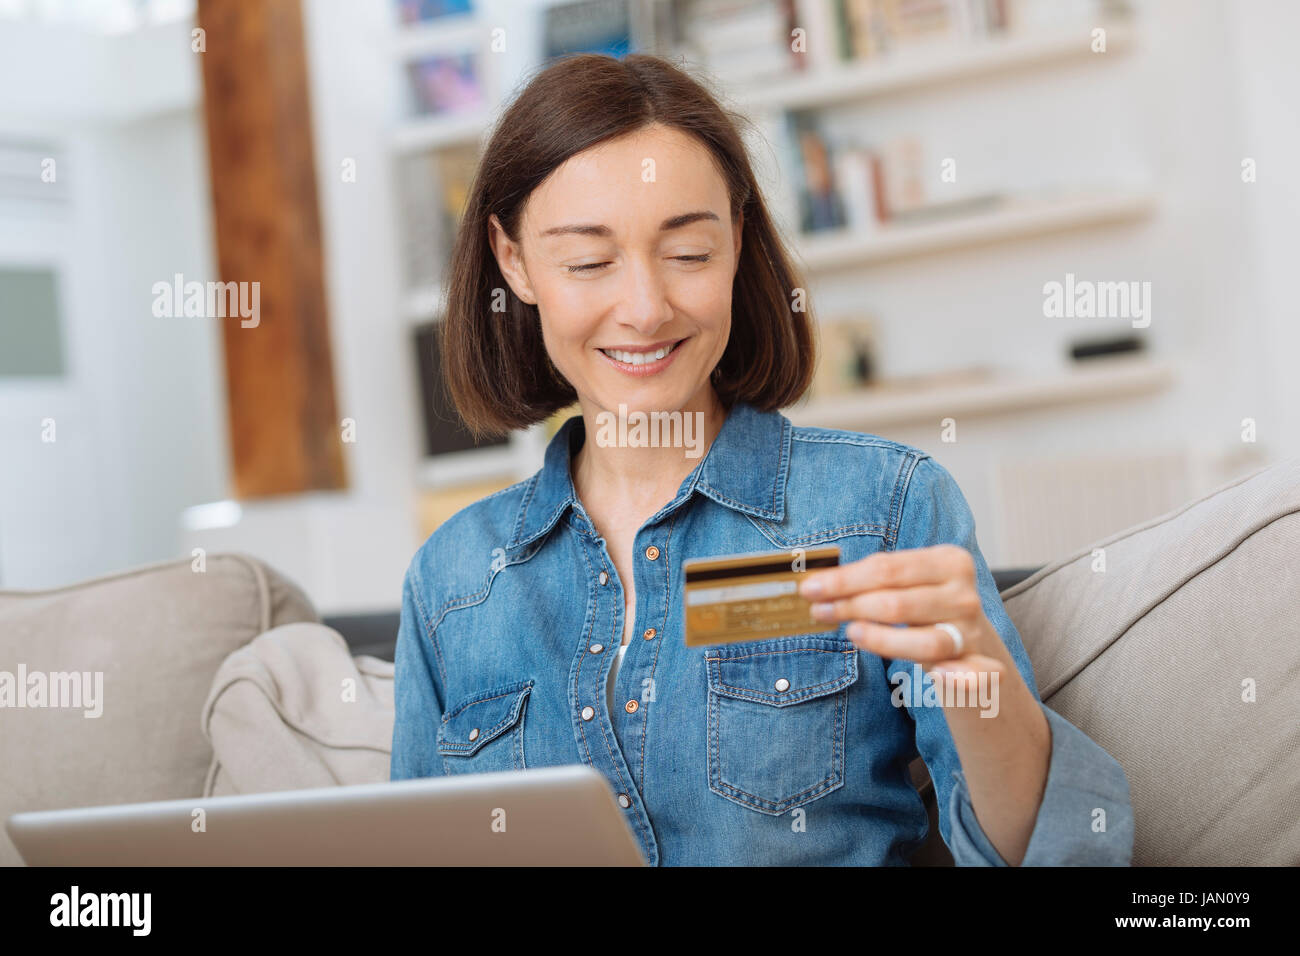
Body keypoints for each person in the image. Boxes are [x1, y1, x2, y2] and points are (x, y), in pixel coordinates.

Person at [390, 52, 1133, 866]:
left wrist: (974, 675)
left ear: (738, 242)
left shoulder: (881, 508)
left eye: (688, 254)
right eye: (589, 262)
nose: (643, 308)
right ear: (513, 261)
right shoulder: (452, 583)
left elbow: (1053, 855)